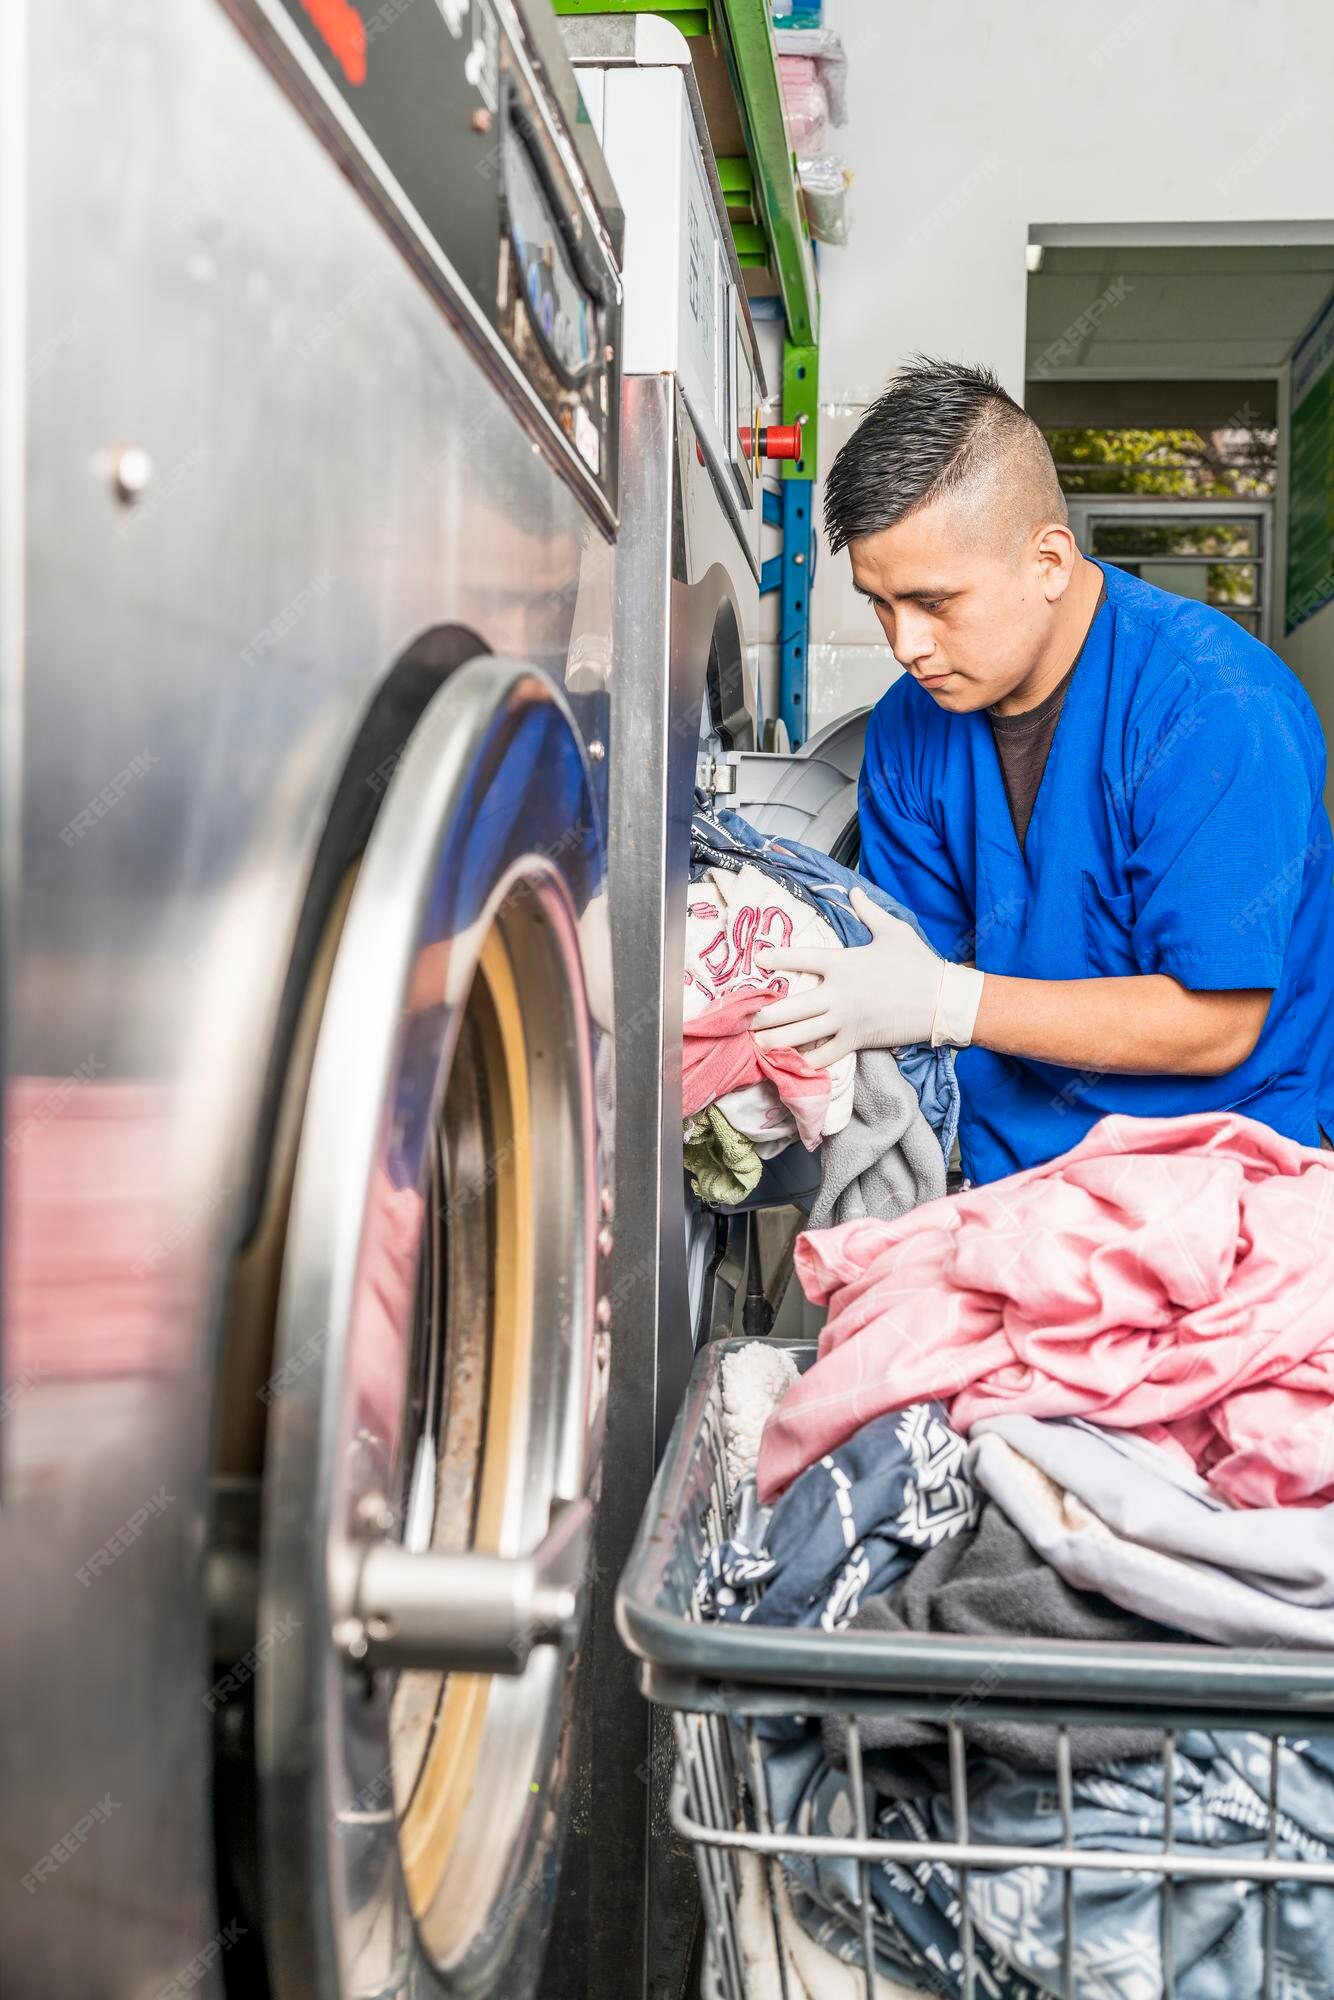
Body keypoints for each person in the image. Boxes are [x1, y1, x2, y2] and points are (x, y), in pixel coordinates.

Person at [754, 358, 1334, 1184]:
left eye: (934, 602)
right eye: (881, 603)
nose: (905, 644)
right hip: (1011, 1172)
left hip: (1232, 1164)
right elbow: (906, 959)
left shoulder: (1213, 705)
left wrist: (951, 1004)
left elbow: (1216, 1023)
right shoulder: (909, 727)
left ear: (1050, 562)